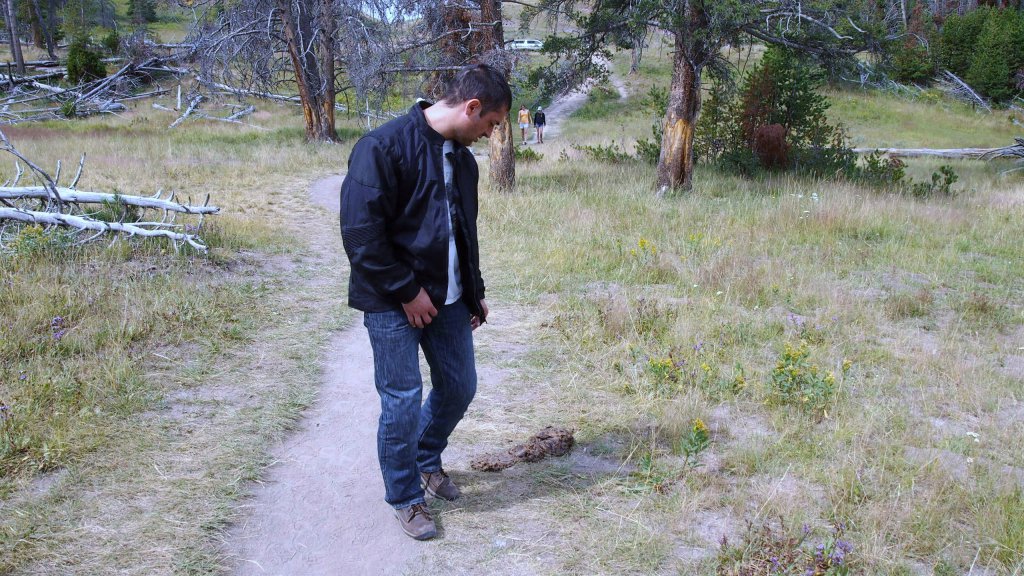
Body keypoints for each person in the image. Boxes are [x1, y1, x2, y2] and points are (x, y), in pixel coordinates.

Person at [339, 64, 511, 541]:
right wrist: (406, 291)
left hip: (449, 302)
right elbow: (360, 236)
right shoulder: (382, 147)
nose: (490, 134)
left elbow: (463, 234)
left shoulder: (465, 163)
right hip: (391, 303)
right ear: (471, 107)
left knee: (459, 387)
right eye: (491, 123)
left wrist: (474, 292)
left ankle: (425, 457)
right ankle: (405, 496)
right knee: (401, 402)